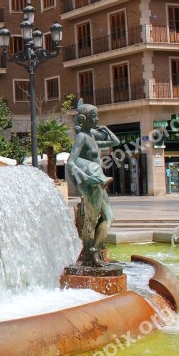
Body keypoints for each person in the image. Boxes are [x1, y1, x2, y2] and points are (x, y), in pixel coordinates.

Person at [67, 99, 120, 267]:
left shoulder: (92, 136)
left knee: (109, 217)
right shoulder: (82, 137)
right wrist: (85, 177)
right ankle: (90, 255)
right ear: (84, 119)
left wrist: (105, 129)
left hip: (99, 182)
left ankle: (95, 249)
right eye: (94, 117)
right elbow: (70, 162)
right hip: (91, 183)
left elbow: (115, 142)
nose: (97, 120)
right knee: (91, 220)